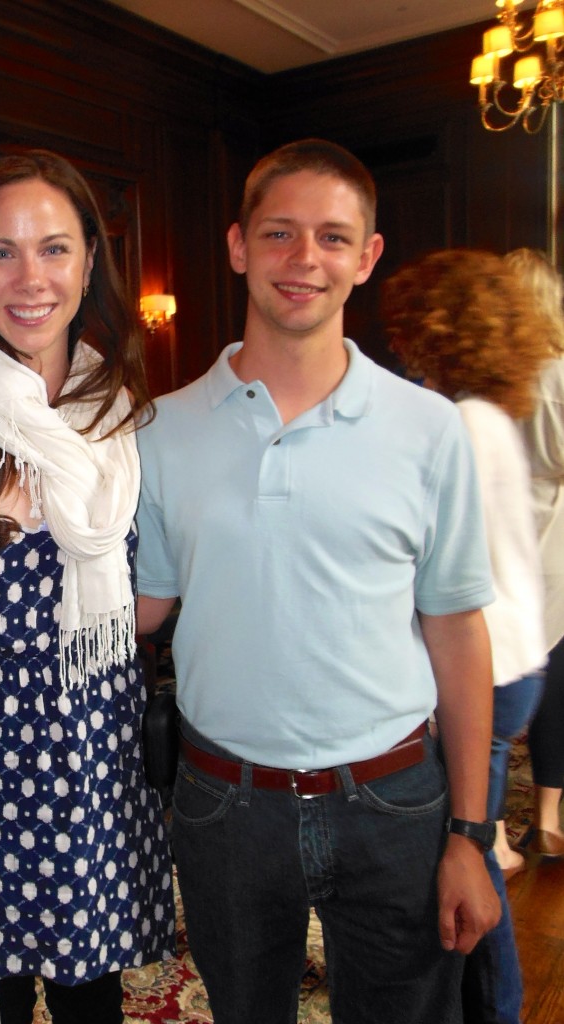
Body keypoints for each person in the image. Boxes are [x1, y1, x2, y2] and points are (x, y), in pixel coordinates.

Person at [135, 138, 501, 1023]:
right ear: (237, 246)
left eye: (333, 239)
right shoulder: (159, 429)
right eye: (279, 234)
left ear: (367, 257)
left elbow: (455, 631)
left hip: (393, 802)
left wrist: (469, 833)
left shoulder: (428, 429)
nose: (304, 261)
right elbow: (139, 610)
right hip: (223, 807)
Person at [0, 149, 175, 1024]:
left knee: (88, 1004)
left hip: (90, 770)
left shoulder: (131, 417)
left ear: (89, 262)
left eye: (53, 248)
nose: (28, 278)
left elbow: (159, 594)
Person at [384, 247, 551, 1024]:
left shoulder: (459, 423)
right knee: (467, 845)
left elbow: (445, 569)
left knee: (464, 852)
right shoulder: (488, 414)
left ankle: (496, 1008)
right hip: (514, 659)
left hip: (482, 667)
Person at [507, 247, 564, 860]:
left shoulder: (483, 378)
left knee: (486, 693)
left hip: (496, 550)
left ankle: (488, 827)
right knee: (557, 689)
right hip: (554, 549)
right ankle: (548, 818)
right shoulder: (559, 377)